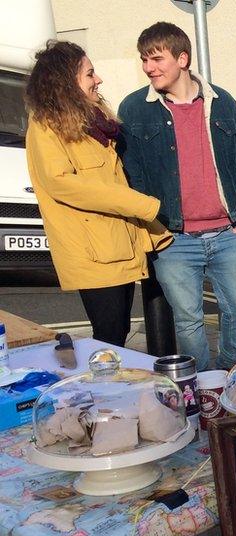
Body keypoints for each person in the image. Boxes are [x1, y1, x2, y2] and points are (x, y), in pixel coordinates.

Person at [118, 22, 236, 371]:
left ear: (182, 58)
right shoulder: (135, 108)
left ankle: (228, 372)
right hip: (173, 237)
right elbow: (131, 174)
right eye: (144, 60)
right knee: (188, 321)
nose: (149, 67)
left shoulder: (222, 103)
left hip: (228, 233)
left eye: (156, 58)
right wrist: (151, 227)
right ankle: (204, 385)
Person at [24, 41, 172, 347]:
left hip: (119, 243)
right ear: (65, 82)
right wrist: (142, 205)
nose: (98, 79)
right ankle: (102, 393)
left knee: (116, 335)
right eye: (90, 74)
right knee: (108, 339)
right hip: (94, 252)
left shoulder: (93, 121)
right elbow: (62, 183)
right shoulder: (46, 127)